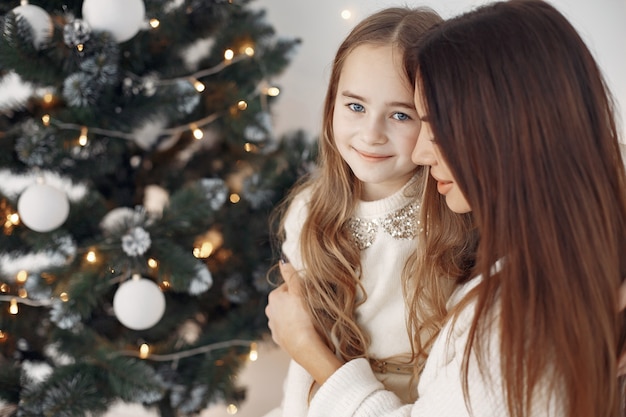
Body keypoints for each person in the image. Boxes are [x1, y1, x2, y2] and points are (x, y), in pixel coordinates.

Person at [265, 1, 626, 416]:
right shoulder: (313, 209)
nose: (420, 152)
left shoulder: (513, 310)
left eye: (420, 121)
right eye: (356, 106)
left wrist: (307, 347)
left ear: (503, 133)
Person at [264, 6, 468, 417]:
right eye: (355, 107)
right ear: (332, 105)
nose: (371, 134)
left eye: (400, 114)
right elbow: (305, 347)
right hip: (323, 398)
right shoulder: (308, 211)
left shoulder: (455, 209)